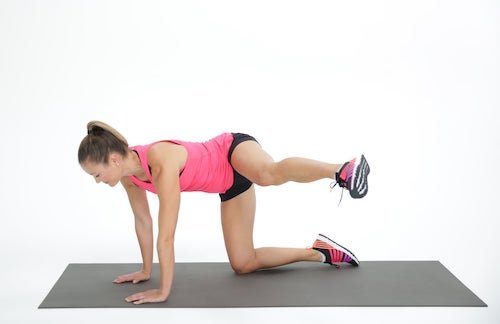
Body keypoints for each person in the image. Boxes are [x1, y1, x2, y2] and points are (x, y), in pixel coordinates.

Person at [78, 120, 370, 305]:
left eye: (96, 174)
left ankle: (341, 169)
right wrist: (145, 270)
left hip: (231, 151)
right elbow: (143, 221)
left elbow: (166, 236)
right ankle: (319, 252)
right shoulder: (130, 178)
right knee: (243, 263)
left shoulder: (161, 161)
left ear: (114, 160)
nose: (97, 181)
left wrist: (163, 291)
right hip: (230, 186)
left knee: (267, 174)